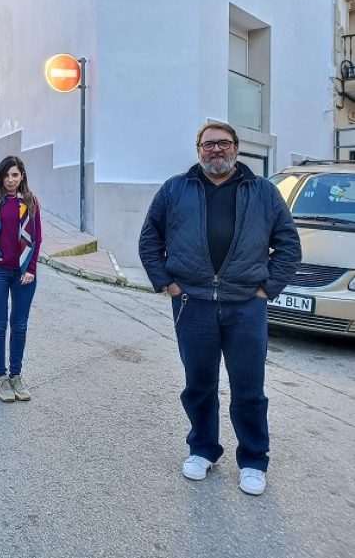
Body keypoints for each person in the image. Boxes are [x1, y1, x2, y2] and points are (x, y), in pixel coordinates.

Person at [139, 122, 300, 497]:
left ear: (236, 149)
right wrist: (169, 284)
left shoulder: (262, 192)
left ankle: (254, 460)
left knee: (249, 388)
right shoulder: (175, 189)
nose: (217, 150)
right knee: (199, 384)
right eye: (209, 144)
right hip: (192, 303)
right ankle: (202, 449)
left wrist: (266, 289)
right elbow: (150, 238)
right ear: (198, 150)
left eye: (223, 144)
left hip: (246, 305)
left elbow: (288, 245)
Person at [0, 156, 42, 403]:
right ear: (0, 176)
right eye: (6, 175)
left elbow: (37, 238)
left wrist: (31, 268)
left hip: (23, 272)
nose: (10, 180)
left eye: (15, 175)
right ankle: (1, 378)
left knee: (20, 325)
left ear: (22, 175)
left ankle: (16, 376)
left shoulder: (30, 201)